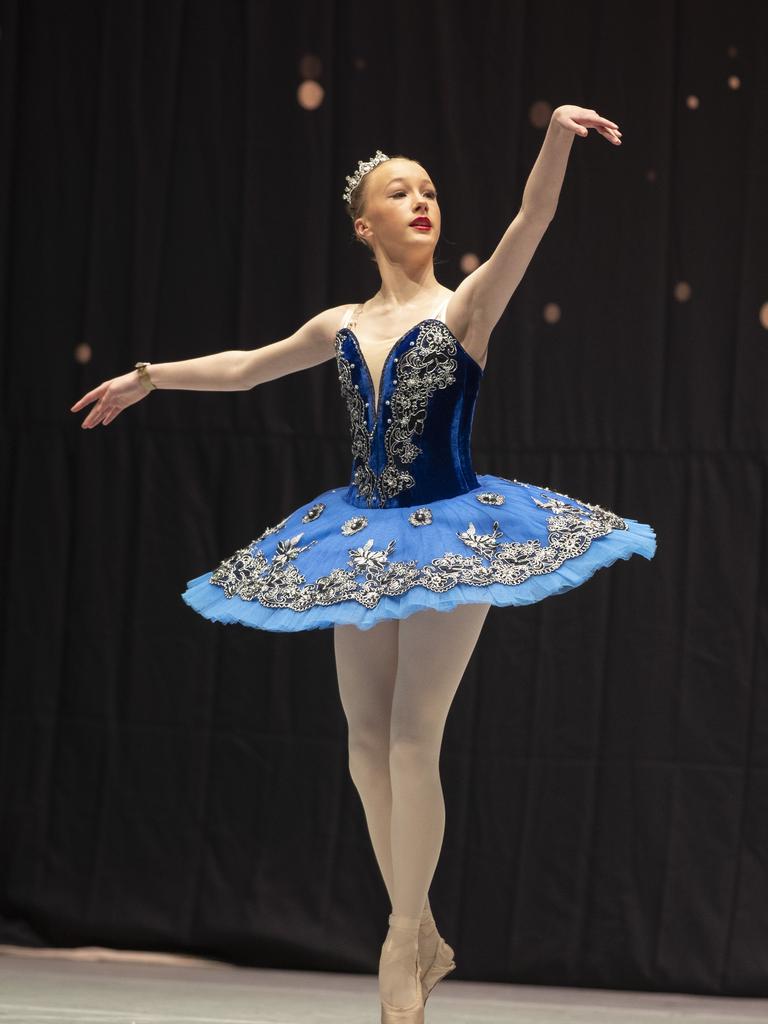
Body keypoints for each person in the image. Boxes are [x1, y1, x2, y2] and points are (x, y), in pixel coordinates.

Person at [71, 105, 654, 1023]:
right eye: (400, 191)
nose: (422, 201)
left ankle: (399, 938)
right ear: (364, 224)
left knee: (416, 735)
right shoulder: (342, 322)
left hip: (456, 533)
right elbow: (248, 366)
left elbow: (530, 221)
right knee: (365, 746)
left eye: (429, 190)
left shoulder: (466, 304)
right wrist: (148, 376)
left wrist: (554, 138)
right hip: (360, 533)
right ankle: (418, 933)